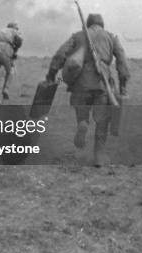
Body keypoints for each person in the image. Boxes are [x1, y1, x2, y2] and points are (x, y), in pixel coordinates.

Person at [45, 13, 130, 167]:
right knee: (102, 120)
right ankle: (99, 155)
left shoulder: (78, 35)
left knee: (82, 110)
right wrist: (123, 85)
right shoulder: (111, 37)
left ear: (88, 24)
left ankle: (82, 123)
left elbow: (60, 55)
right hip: (102, 84)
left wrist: (51, 74)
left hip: (80, 83)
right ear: (102, 25)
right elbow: (122, 62)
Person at [0, 22, 23, 105]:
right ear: (14, 27)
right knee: (10, 71)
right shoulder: (14, 31)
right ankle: (6, 89)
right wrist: (15, 51)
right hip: (6, 50)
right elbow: (20, 41)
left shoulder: (0, 31)